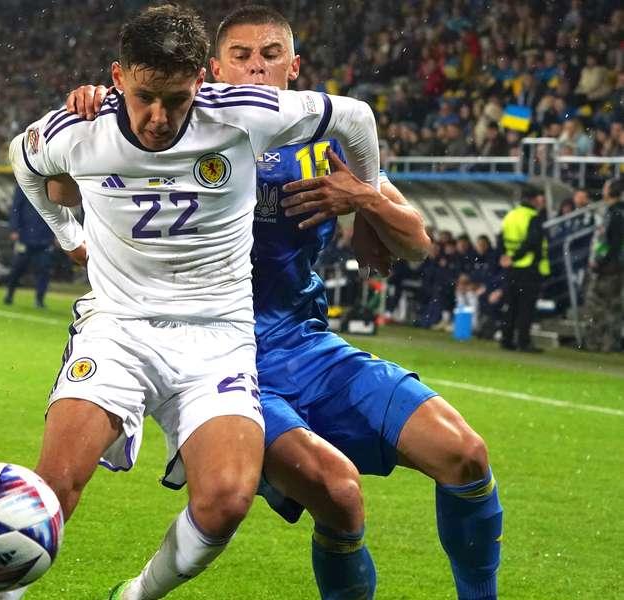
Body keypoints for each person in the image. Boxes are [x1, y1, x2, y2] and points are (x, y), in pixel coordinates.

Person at [65, 6, 502, 600]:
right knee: (340, 495)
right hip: (220, 356)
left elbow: (419, 245)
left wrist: (365, 198)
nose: (256, 67)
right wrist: (91, 102)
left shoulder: (323, 143)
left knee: (466, 456)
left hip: (306, 344)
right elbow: (74, 166)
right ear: (209, 71)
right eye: (240, 56)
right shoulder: (172, 131)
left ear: (294, 67)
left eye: (271, 55)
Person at [2, 6, 382, 600]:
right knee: (56, 486)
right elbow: (23, 160)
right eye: (145, 96)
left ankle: (136, 595)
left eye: (176, 100)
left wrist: (367, 199)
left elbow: (355, 118)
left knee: (228, 499)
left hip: (219, 339)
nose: (158, 118)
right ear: (119, 76)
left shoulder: (245, 115)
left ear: (199, 85)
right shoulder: (79, 128)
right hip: (119, 329)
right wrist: (68, 234)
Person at [499, 186, 549, 352]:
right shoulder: (533, 217)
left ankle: (506, 339)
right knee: (526, 308)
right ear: (534, 199)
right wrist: (515, 257)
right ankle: (523, 341)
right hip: (528, 267)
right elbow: (532, 243)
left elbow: (501, 238)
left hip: (511, 268)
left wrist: (506, 256)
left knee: (511, 305)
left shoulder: (511, 215)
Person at [582, 178, 624, 352]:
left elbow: (614, 243)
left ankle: (595, 342)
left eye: (605, 188)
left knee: (597, 306)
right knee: (613, 308)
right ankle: (609, 344)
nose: (603, 190)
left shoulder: (615, 214)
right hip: (614, 267)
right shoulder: (615, 212)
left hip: (609, 269)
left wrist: (601, 263)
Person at [4, 187, 54, 308]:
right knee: (18, 268)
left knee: (44, 269)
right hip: (25, 236)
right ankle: (9, 294)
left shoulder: (51, 183)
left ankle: (39, 300)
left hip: (44, 237)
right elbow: (16, 207)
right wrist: (15, 228)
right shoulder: (24, 182)